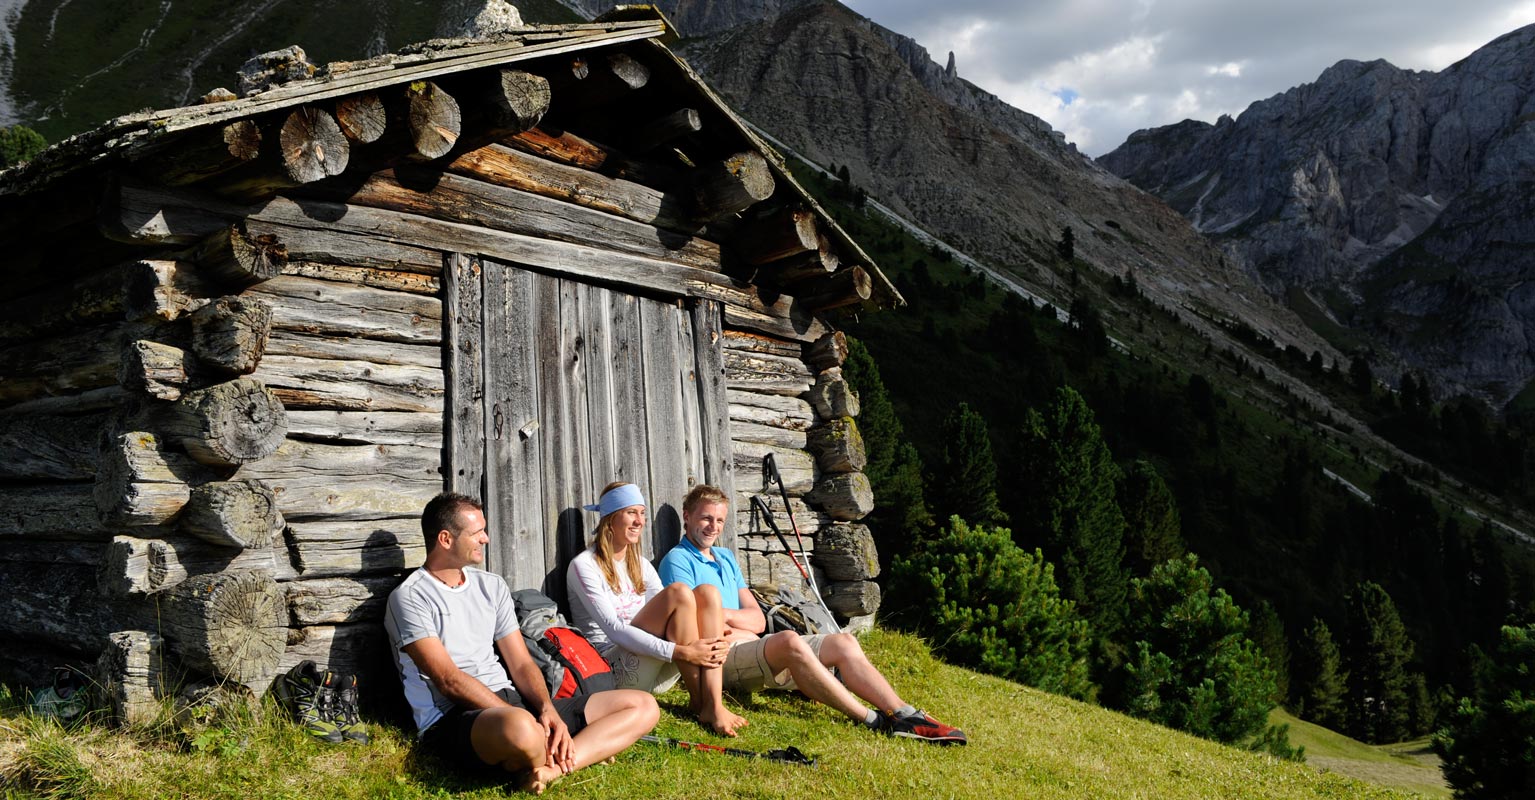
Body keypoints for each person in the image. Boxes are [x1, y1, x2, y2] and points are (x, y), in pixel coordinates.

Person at [385, 493, 660, 794]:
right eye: (476, 533)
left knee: (643, 705)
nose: (486, 539)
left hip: (515, 702)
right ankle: (583, 747)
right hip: (455, 715)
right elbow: (448, 680)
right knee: (521, 729)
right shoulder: (410, 597)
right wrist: (525, 719)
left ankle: (549, 768)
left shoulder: (490, 585)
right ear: (446, 539)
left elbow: (520, 662)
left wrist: (547, 711)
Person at [657, 484, 968, 745]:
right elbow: (693, 627)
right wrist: (731, 622)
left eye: (720, 520)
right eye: (705, 518)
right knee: (790, 641)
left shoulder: (725, 558)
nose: (713, 526)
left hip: (749, 642)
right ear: (687, 517)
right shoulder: (678, 560)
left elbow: (758, 619)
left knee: (843, 642)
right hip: (719, 660)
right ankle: (872, 720)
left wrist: (723, 617)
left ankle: (903, 713)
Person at [566, 482, 749, 736]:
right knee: (678, 592)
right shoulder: (584, 566)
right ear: (610, 517)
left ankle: (711, 704)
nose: (639, 521)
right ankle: (704, 704)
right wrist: (681, 652)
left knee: (707, 593)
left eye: (642, 513)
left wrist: (712, 630)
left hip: (657, 667)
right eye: (631, 512)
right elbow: (615, 631)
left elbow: (681, 613)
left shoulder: (640, 564)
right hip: (615, 671)